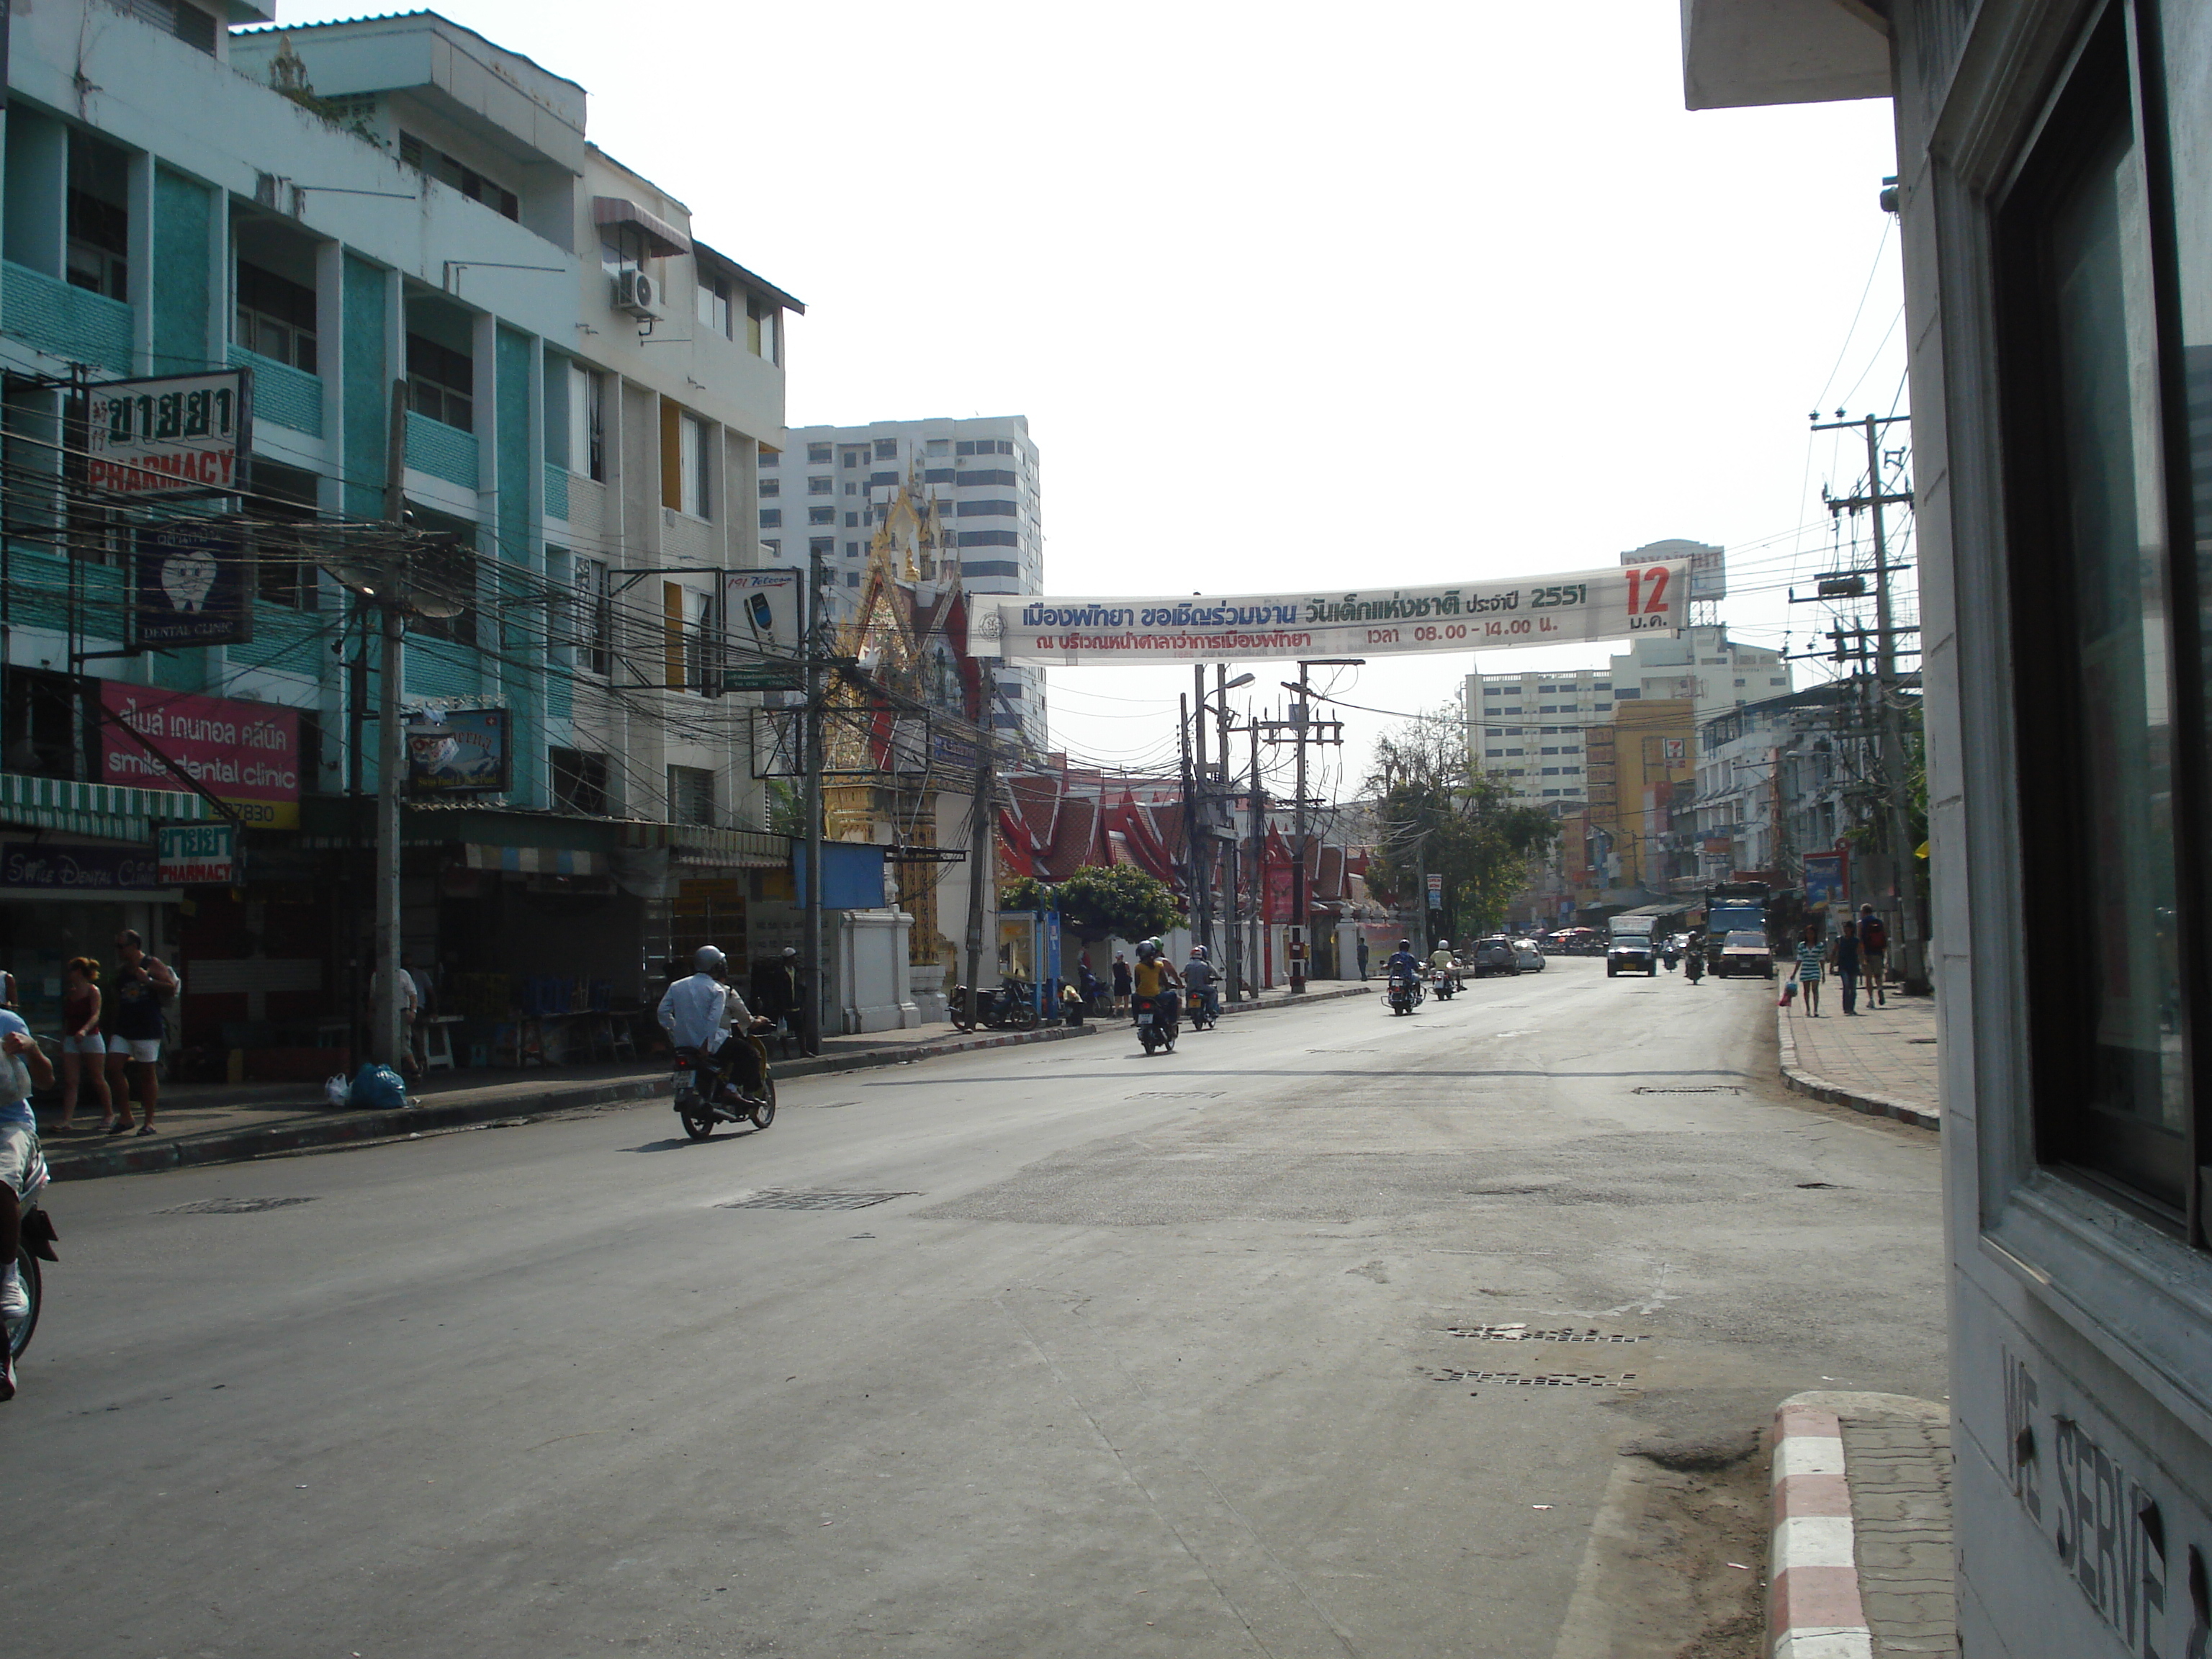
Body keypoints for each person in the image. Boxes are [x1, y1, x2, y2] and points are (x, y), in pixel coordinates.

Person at [0, 1004, 55, 1400]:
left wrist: (32, 1050)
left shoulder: (7, 1023)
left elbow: (47, 1080)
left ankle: (5, 1279)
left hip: (8, 1126)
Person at [657, 946, 773, 1105]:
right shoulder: (717, 990)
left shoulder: (677, 986)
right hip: (711, 1045)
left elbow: (663, 1012)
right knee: (750, 1054)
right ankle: (731, 1089)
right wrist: (707, 1044)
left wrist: (676, 1031)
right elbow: (713, 1021)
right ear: (718, 967)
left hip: (682, 1045)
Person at [105, 930, 175, 1137]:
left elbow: (170, 988)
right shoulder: (122, 971)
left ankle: (149, 1121)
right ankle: (126, 1116)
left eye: (122, 947)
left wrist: (148, 981)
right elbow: (118, 999)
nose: (119, 951)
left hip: (146, 1026)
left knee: (147, 1072)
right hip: (125, 1026)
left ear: (134, 946)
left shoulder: (151, 963)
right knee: (113, 1067)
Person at [55, 957, 112, 1133]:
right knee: (71, 1081)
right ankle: (67, 1120)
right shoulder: (70, 994)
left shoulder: (93, 991)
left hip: (91, 1037)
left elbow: (96, 1015)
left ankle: (109, 1114)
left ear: (78, 972)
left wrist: (84, 1030)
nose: (68, 974)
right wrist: (63, 1039)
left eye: (71, 971)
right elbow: (67, 1020)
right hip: (72, 1039)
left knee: (97, 1077)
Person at [1129, 939, 1182, 1038]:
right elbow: (1165, 982)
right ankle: (1172, 1020)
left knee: (1134, 997)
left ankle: (1136, 1018)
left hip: (1141, 996)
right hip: (1156, 996)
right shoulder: (1159, 965)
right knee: (1173, 995)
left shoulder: (1138, 967)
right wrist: (1167, 988)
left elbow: (1137, 983)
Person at [1858, 904, 1889, 1006]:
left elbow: (1860, 940)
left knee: (1868, 977)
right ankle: (1880, 988)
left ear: (1863, 912)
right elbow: (1884, 937)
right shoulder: (1879, 922)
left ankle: (1871, 999)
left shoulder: (1861, 923)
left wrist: (1861, 955)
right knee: (1878, 975)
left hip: (1867, 952)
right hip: (1878, 952)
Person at [1792, 925, 1825, 1017]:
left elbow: (1821, 959)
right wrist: (1794, 973)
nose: (1810, 935)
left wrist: (1823, 973)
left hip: (1815, 969)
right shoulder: (1802, 946)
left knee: (1815, 989)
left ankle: (1816, 1010)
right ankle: (1808, 1009)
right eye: (1808, 933)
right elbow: (1799, 959)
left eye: (1812, 933)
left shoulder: (1819, 946)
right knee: (1806, 991)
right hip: (1805, 970)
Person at [1184, 944, 1220, 1024]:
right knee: (1213, 992)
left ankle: (1188, 1008)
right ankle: (1211, 1009)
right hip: (1202, 987)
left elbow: (1186, 977)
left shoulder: (1188, 965)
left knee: (1187, 992)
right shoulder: (1205, 965)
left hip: (1191, 988)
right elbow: (1206, 978)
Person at [1833, 920, 1863, 1015]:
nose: (1845, 929)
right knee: (1846, 986)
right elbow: (1834, 952)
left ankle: (1852, 1007)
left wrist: (1862, 965)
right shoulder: (1839, 940)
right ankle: (1846, 1008)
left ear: (1852, 929)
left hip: (1853, 966)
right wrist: (1832, 965)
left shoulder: (1856, 941)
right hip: (1843, 966)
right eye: (1845, 927)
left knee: (1853, 988)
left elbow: (1860, 953)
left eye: (1847, 927)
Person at [1111, 952, 1132, 1017]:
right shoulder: (1125, 964)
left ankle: (1115, 1011)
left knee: (1118, 999)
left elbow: (1115, 974)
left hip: (1118, 982)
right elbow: (1129, 973)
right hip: (1125, 982)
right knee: (1126, 999)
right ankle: (1125, 1014)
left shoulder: (1114, 966)